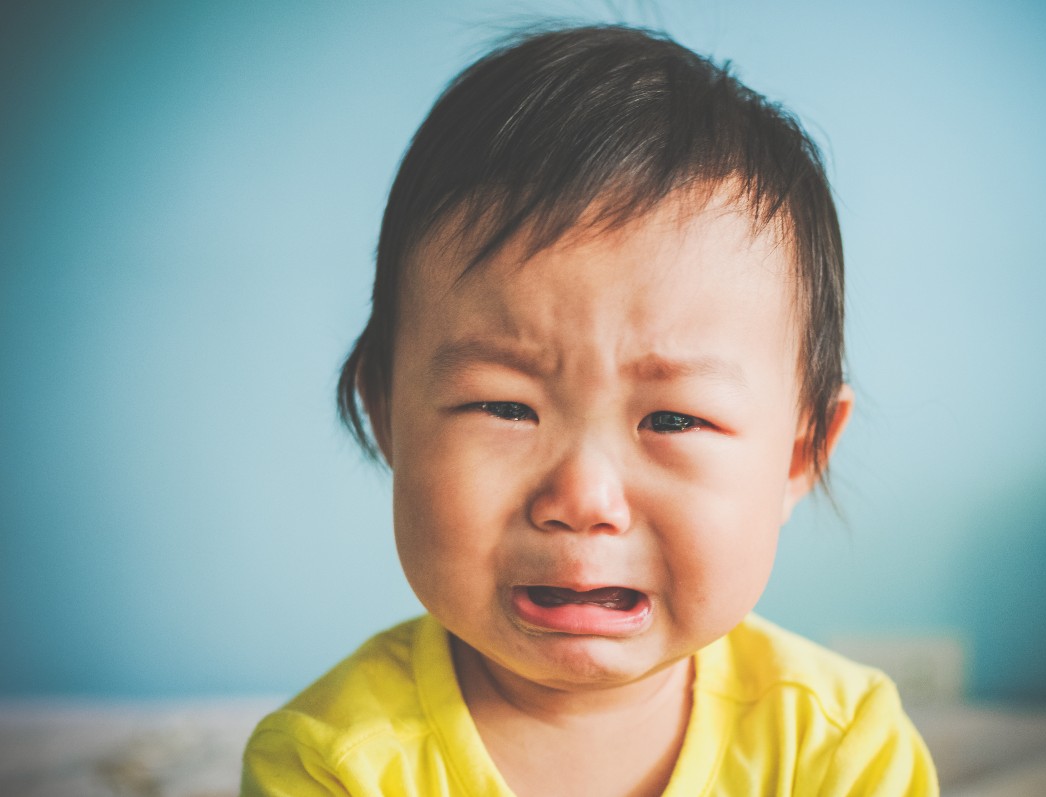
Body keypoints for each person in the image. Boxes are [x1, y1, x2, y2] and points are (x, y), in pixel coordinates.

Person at [242, 23, 938, 797]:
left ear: (799, 453)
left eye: (672, 419)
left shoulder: (837, 750)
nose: (582, 498)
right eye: (505, 406)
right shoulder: (333, 763)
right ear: (385, 413)